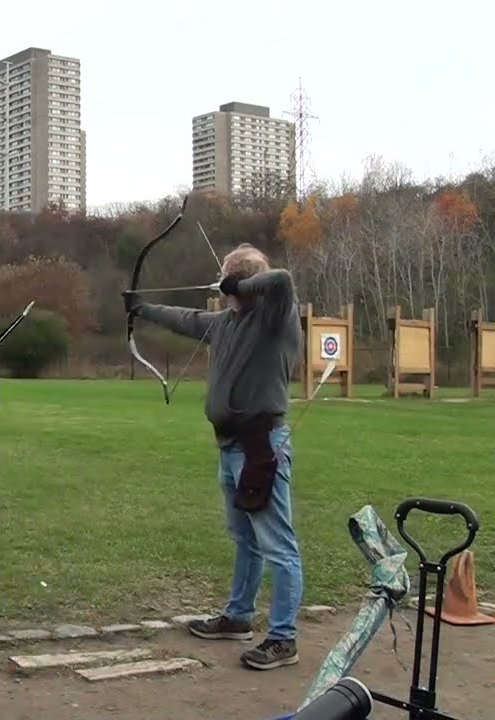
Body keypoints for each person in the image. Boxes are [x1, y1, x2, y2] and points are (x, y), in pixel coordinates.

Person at [123, 243, 305, 671]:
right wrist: (142, 308)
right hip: (229, 447)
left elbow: (282, 279)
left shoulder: (275, 318)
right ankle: (238, 616)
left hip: (261, 445)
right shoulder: (226, 322)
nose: (224, 289)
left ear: (241, 282)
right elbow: (186, 320)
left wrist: (243, 280)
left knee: (278, 545)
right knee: (244, 537)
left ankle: (283, 638)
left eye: (229, 280)